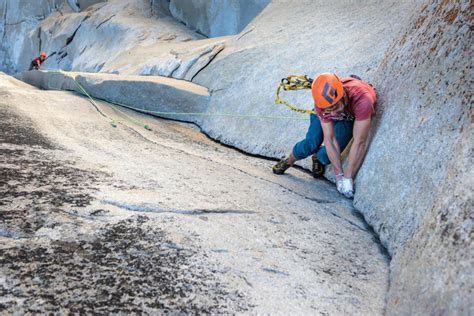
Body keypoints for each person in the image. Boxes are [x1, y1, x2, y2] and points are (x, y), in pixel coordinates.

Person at [272, 73, 376, 198]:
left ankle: (317, 157)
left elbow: (359, 142)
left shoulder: (363, 100)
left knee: (325, 157)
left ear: (343, 94)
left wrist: (348, 178)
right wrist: (339, 175)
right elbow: (330, 138)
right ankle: (289, 160)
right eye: (329, 109)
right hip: (336, 110)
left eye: (335, 106)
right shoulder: (322, 105)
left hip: (347, 116)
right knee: (311, 143)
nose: (332, 113)